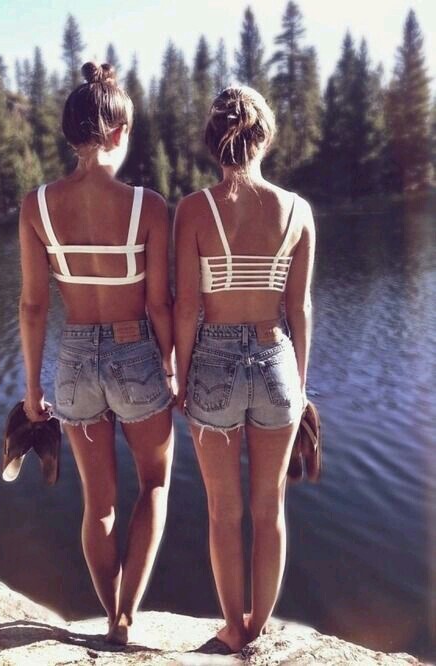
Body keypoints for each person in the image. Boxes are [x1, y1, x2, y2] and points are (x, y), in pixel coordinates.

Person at [18, 62, 174, 644]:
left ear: (71, 134)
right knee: (154, 484)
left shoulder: (37, 206)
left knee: (98, 503)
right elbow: (159, 304)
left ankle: (109, 614)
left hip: (75, 360)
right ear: (118, 132)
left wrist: (33, 387)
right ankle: (127, 615)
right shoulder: (148, 206)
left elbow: (33, 306)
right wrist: (172, 367)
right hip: (136, 353)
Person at [174, 85, 315, 651]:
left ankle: (233, 629)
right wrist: (301, 385)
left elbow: (187, 306)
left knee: (222, 512)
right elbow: (299, 308)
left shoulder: (194, 210)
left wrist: (180, 375)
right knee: (269, 508)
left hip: (212, 362)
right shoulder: (297, 211)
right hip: (277, 359)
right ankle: (258, 628)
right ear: (266, 138)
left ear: (214, 143)